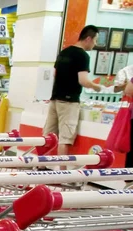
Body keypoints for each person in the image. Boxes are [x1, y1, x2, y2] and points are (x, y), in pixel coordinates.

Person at [43, 25, 102, 158]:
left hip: (55, 98)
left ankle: (41, 167)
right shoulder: (83, 56)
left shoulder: (64, 52)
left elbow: (55, 73)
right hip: (69, 102)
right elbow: (83, 81)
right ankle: (63, 174)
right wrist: (97, 87)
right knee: (65, 138)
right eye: (95, 40)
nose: (95, 44)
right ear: (88, 38)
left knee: (48, 136)